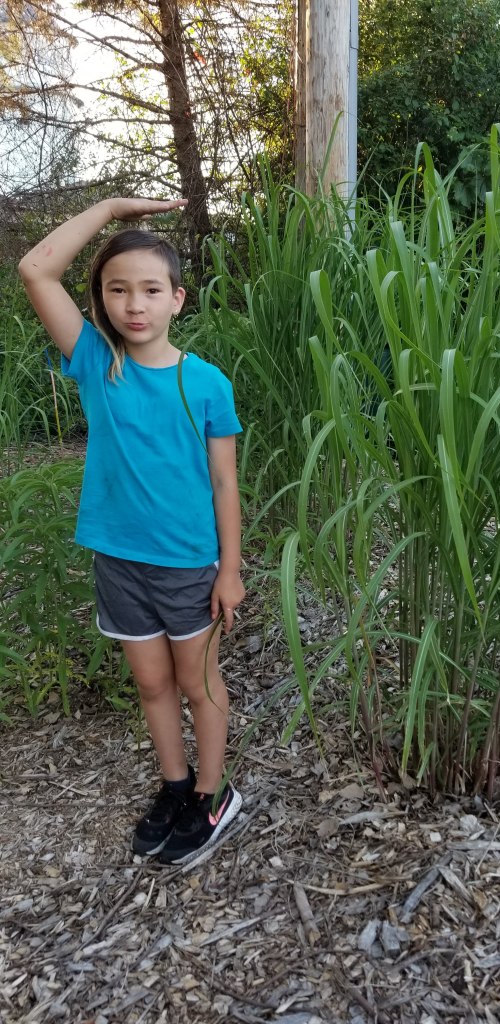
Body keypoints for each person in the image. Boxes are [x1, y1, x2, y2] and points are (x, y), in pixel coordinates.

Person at [18, 198, 246, 864]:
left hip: (187, 565)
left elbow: (226, 484)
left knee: (199, 685)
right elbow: (37, 268)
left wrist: (229, 569)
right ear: (101, 302)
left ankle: (212, 795)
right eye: (117, 290)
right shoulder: (97, 363)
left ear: (177, 299)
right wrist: (114, 208)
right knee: (151, 686)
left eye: (150, 289)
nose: (133, 304)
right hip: (119, 561)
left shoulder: (205, 383)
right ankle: (175, 787)